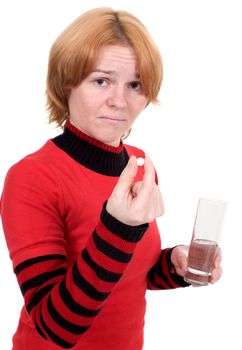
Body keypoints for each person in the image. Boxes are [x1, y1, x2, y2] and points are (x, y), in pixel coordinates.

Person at [0, 7, 222, 350]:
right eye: (101, 80)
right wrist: (119, 225)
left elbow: (128, 276)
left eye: (135, 84)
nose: (119, 101)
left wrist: (174, 265)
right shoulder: (31, 177)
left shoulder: (139, 165)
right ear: (67, 83)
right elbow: (55, 326)